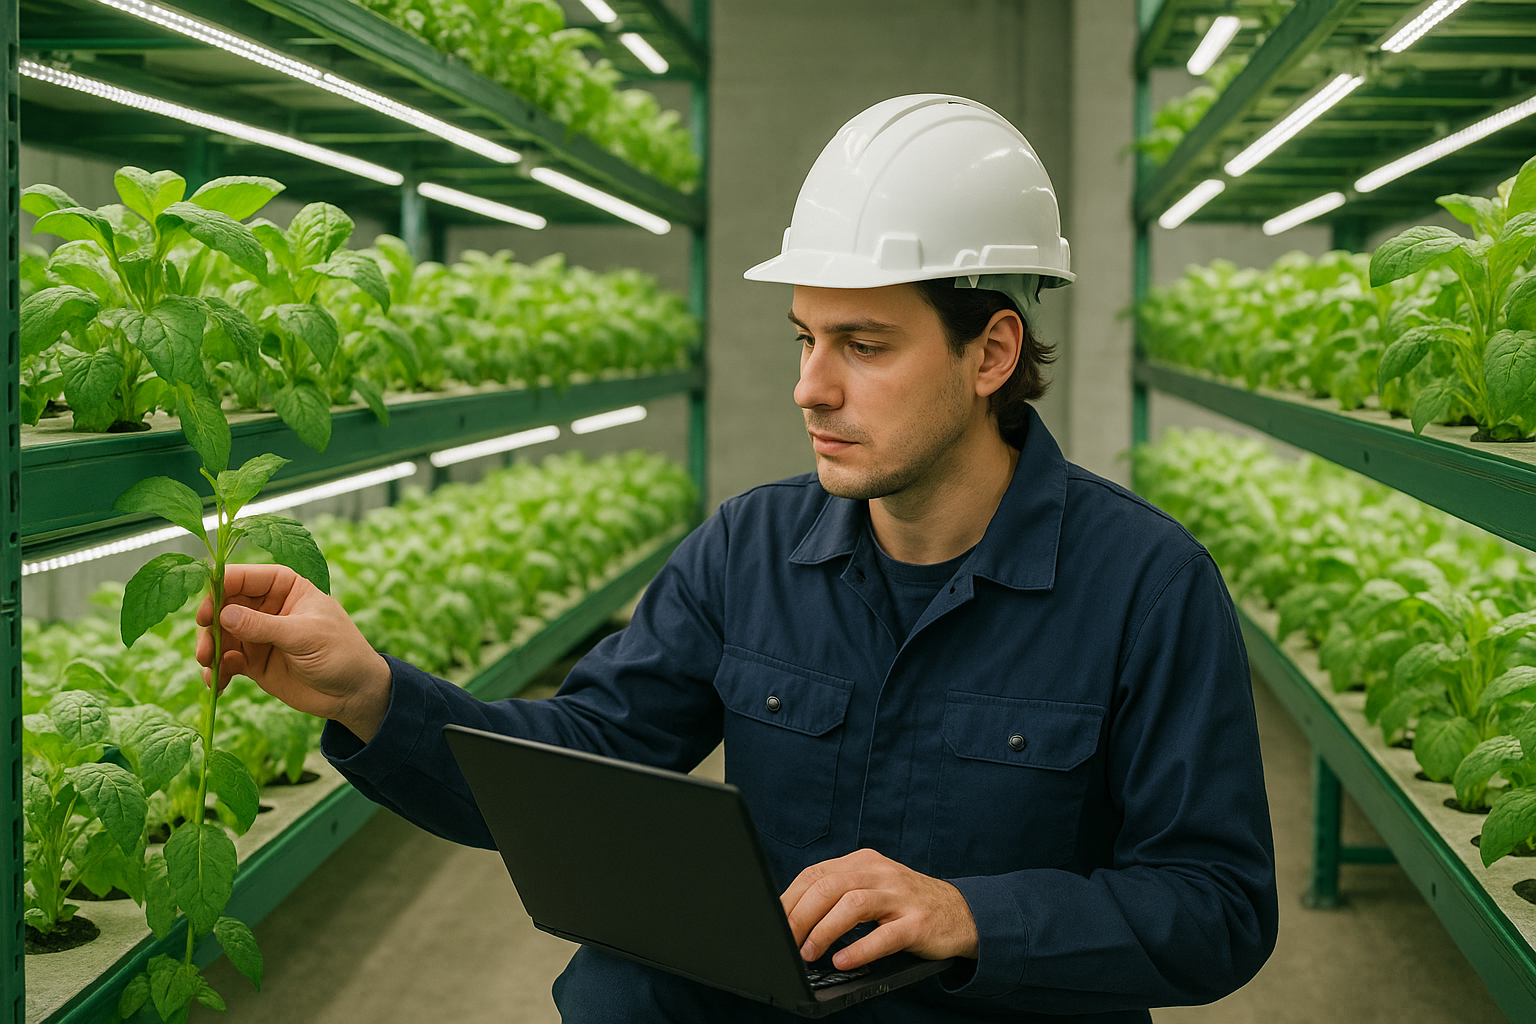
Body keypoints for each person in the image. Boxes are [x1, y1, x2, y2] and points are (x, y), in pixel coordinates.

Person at [198, 95, 1277, 1022]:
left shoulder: (1147, 584)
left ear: (991, 351)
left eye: (864, 344)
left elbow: (1219, 905)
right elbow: (583, 759)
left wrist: (967, 915)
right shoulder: (748, 550)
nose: (811, 386)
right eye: (804, 338)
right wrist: (373, 694)